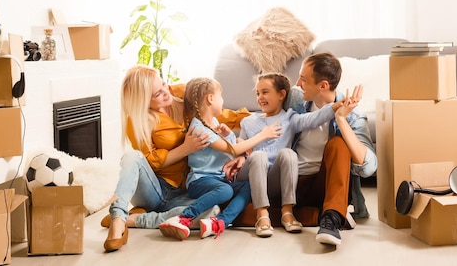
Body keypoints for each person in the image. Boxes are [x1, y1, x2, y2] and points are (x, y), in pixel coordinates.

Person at [236, 73, 363, 238]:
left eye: (265, 92)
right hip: (250, 174)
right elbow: (238, 145)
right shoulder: (248, 121)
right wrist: (239, 155)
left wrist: (336, 106)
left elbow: (313, 119)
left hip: (273, 179)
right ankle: (262, 214)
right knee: (259, 156)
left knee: (288, 153)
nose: (260, 97)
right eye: (258, 93)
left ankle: (287, 212)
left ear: (281, 94)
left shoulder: (290, 118)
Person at [104, 65, 216, 252]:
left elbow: (215, 110)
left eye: (163, 83)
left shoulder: (182, 93)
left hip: (185, 191)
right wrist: (186, 148)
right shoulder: (138, 121)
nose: (167, 91)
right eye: (157, 94)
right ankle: (117, 218)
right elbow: (149, 162)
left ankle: (134, 219)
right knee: (132, 156)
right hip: (155, 190)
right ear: (143, 102)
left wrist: (248, 130)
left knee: (212, 210)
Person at [158, 77, 281, 240]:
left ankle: (219, 223)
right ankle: (183, 217)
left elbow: (228, 152)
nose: (223, 101)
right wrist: (263, 135)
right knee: (225, 190)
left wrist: (229, 134)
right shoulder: (199, 128)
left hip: (219, 179)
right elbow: (233, 149)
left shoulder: (213, 122)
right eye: (221, 97)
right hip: (200, 180)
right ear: (210, 98)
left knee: (249, 186)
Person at [290, 52, 376, 246]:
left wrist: (341, 120)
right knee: (239, 210)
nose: (297, 83)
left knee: (339, 143)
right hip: (292, 184)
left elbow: (369, 167)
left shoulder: (353, 114)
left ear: (323, 86)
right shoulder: (295, 101)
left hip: (325, 186)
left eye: (303, 79)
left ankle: (331, 220)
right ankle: (327, 215)